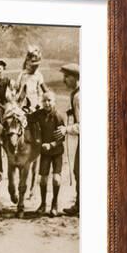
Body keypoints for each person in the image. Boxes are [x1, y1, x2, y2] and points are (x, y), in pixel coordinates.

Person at [30, 91, 65, 217]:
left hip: (56, 152)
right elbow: (28, 118)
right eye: (44, 100)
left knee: (56, 179)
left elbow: (62, 138)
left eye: (49, 100)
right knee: (43, 180)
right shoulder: (39, 114)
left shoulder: (58, 116)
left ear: (54, 102)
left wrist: (51, 144)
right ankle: (43, 203)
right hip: (45, 152)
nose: (47, 103)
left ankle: (54, 203)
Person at [53, 63, 80, 216]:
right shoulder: (75, 94)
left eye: (66, 77)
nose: (64, 80)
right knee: (78, 170)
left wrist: (66, 129)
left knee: (80, 171)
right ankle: (79, 204)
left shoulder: (78, 97)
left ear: (75, 78)